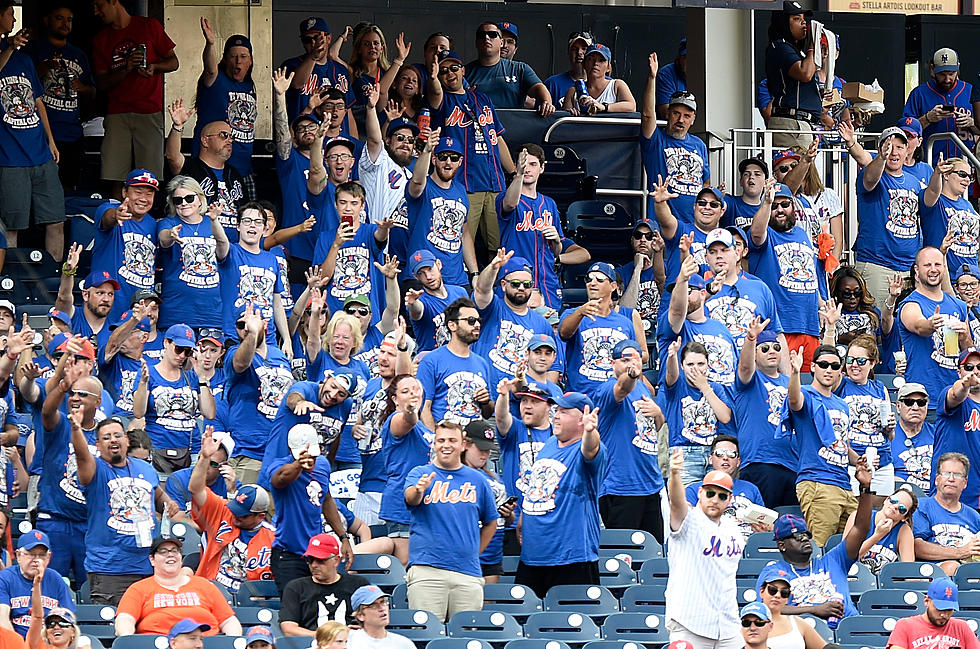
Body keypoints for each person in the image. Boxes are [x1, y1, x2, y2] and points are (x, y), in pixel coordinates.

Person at [71, 413, 177, 605]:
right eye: (106, 437)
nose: (113, 439)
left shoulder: (145, 468)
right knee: (116, 630)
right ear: (98, 445)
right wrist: (76, 429)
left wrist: (169, 504)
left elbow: (158, 495)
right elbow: (81, 455)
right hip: (110, 570)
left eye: (118, 435)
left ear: (127, 440)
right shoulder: (95, 468)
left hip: (147, 566)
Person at [404, 420, 497, 621]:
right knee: (426, 634)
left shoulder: (478, 479)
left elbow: (491, 521)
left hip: (467, 573)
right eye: (441, 440)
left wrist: (474, 550)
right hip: (427, 570)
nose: (446, 445)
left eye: (452, 440)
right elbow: (410, 498)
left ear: (463, 445)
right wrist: (419, 490)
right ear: (434, 444)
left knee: (464, 637)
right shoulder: (420, 473)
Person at [515, 392, 606, 599]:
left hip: (571, 558)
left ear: (582, 419)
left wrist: (590, 432)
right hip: (533, 556)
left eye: (564, 412)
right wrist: (523, 517)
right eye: (556, 410)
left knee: (571, 624)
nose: (556, 416)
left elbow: (591, 450)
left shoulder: (585, 449)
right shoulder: (549, 445)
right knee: (528, 625)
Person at [754, 472, 872, 628]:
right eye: (797, 535)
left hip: (848, 629)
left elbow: (860, 528)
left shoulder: (834, 560)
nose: (804, 538)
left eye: (806, 534)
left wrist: (866, 488)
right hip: (802, 635)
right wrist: (815, 610)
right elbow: (767, 609)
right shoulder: (774, 572)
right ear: (782, 545)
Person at [427, 50, 515, 255]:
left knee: (499, 247)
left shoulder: (482, 99)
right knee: (459, 245)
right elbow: (436, 93)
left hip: (495, 183)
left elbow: (497, 137)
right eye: (444, 71)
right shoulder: (443, 101)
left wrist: (513, 173)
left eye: (454, 68)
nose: (450, 74)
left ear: (463, 70)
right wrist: (432, 78)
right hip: (465, 185)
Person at [91, 0, 178, 189]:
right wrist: (127, 68)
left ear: (114, 1)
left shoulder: (148, 26)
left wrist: (154, 67)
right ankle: (116, 215)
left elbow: (173, 62)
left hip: (149, 110)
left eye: (99, 5)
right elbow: (101, 83)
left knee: (148, 177)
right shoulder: (101, 39)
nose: (96, 11)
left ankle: (145, 218)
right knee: (114, 176)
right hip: (117, 112)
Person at [0, 5, 65, 259]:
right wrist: (10, 47)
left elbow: (38, 102)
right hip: (10, 157)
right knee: (12, 226)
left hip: (40, 152)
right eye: (9, 13)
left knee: (56, 219)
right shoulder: (9, 53)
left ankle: (59, 278)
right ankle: (10, 284)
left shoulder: (25, 59)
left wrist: (51, 141)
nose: (14, 18)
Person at [497, 144, 590, 312]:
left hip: (547, 284)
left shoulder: (549, 204)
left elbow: (556, 250)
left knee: (549, 333)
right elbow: (510, 203)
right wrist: (517, 175)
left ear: (542, 168)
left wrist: (556, 241)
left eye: (533, 164)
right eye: (523, 164)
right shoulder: (506, 197)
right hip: (517, 282)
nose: (527, 169)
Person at [665, 450, 742, 649]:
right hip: (690, 622)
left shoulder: (733, 528)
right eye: (710, 493)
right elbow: (676, 503)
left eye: (722, 495)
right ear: (700, 493)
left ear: (729, 500)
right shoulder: (689, 520)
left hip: (728, 625)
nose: (715, 499)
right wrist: (674, 475)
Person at [591, 339, 665, 541]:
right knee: (624, 555)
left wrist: (658, 412)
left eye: (637, 359)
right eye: (625, 359)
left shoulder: (643, 390)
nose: (632, 364)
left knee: (653, 553)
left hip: (649, 484)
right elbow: (622, 389)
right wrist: (631, 374)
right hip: (620, 486)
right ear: (613, 363)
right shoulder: (606, 389)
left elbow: (656, 427)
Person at [268, 428, 354, 594]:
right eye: (304, 456)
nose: (309, 461)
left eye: (313, 456)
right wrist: (297, 465)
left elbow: (326, 499)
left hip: (317, 553)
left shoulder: (322, 465)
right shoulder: (278, 467)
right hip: (288, 554)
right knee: (293, 608)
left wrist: (343, 537)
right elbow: (279, 479)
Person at [188, 429, 274, 593]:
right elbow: (195, 488)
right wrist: (205, 458)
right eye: (236, 509)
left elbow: (268, 589)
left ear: (261, 516)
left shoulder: (272, 538)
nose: (236, 516)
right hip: (210, 590)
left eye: (243, 514)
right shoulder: (223, 511)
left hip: (246, 600)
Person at [784, 345, 853, 546]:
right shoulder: (806, 393)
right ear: (813, 367)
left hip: (845, 485)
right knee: (819, 547)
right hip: (818, 481)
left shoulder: (843, 405)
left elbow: (843, 446)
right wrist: (796, 372)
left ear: (841, 369)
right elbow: (794, 401)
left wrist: (861, 460)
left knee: (850, 550)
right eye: (823, 365)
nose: (829, 369)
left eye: (834, 365)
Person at [750, 182, 823, 371]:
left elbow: (811, 274)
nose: (780, 210)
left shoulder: (802, 234)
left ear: (793, 206)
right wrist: (766, 202)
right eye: (775, 206)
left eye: (785, 205)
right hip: (781, 329)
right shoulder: (767, 235)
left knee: (810, 389)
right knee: (785, 388)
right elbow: (756, 234)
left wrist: (821, 304)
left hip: (810, 327)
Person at [849, 127, 922, 309]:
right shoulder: (873, 174)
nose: (894, 152)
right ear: (881, 148)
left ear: (907, 150)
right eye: (889, 146)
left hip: (909, 269)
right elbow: (870, 179)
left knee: (904, 328)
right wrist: (881, 157)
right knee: (877, 327)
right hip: (878, 266)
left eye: (899, 147)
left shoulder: (914, 182)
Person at [26, 3, 94, 193]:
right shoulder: (32, 50)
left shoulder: (79, 54)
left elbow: (94, 91)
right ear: (47, 20)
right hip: (41, 132)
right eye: (59, 18)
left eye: (69, 20)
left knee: (68, 187)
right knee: (40, 187)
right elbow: (21, 82)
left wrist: (83, 87)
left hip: (72, 132)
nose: (65, 23)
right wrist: (44, 68)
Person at [223, 302, 294, 485]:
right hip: (250, 455)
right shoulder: (234, 353)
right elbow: (240, 364)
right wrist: (252, 334)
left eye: (252, 321)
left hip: (281, 456)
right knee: (246, 512)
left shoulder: (279, 356)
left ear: (265, 324)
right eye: (241, 325)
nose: (246, 328)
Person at [114, 536, 241, 636]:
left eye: (175, 551)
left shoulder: (204, 585)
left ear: (181, 557)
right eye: (163, 552)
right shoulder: (138, 589)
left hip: (204, 644)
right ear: (152, 559)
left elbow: (229, 621)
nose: (170, 554)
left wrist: (233, 641)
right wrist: (127, 639)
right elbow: (125, 619)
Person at [473, 250, 559, 387]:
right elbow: (481, 290)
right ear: (503, 285)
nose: (521, 288)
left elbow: (553, 367)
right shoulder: (492, 307)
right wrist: (493, 268)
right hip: (485, 395)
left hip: (523, 401)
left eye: (527, 285)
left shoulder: (543, 324)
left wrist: (540, 396)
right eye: (515, 283)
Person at [898, 247, 970, 406]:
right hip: (922, 400)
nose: (933, 269)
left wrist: (964, 337)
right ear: (916, 270)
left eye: (937, 264)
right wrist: (930, 324)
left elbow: (968, 352)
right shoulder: (910, 304)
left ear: (944, 268)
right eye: (927, 265)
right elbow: (918, 326)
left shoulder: (959, 305)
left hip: (956, 395)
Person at [640, 52, 709, 220]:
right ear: (668, 114)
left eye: (686, 116)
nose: (680, 120)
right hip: (662, 224)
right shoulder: (656, 141)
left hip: (694, 225)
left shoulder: (699, 144)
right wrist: (652, 78)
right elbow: (648, 115)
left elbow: (705, 181)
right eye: (676, 113)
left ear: (693, 120)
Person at [735, 321, 796, 509]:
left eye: (776, 347)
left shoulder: (791, 381)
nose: (772, 351)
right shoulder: (750, 379)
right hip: (761, 462)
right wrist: (751, 339)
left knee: (791, 529)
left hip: (792, 465)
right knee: (762, 526)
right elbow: (745, 368)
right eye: (765, 348)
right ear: (755, 354)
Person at [406, 130, 478, 287]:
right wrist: (426, 150)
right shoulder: (424, 186)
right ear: (434, 159)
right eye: (443, 157)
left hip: (457, 280)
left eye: (454, 158)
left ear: (460, 161)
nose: (448, 163)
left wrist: (475, 273)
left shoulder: (461, 190)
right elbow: (417, 182)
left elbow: (464, 233)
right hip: (423, 276)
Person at [165, 100, 246, 238]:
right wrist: (178, 126)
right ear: (205, 140)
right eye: (223, 135)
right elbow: (172, 156)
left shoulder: (235, 174)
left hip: (234, 246)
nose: (229, 140)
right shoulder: (191, 167)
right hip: (201, 242)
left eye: (231, 136)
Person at [662, 339, 735, 486]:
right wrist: (671, 356)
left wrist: (704, 387)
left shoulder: (716, 388)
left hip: (713, 454)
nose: (695, 369)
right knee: (686, 504)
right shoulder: (677, 385)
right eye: (690, 364)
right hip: (684, 454)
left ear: (708, 364)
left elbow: (725, 417)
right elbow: (671, 375)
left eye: (700, 364)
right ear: (682, 366)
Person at [193, 20, 257, 188]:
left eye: (243, 57)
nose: (238, 62)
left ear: (250, 61)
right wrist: (210, 44)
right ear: (225, 59)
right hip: (211, 167)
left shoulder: (250, 86)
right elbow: (210, 69)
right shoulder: (216, 80)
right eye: (233, 56)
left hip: (243, 168)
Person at [664, 245, 738, 387]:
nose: (681, 294)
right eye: (676, 291)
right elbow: (678, 311)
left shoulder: (720, 328)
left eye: (688, 289)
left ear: (703, 293)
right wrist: (683, 279)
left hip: (725, 402)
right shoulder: (671, 324)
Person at [559, 262, 637, 394]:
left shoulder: (625, 323)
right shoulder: (572, 314)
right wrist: (580, 313)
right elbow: (564, 334)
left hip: (613, 396)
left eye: (599, 280)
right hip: (580, 395)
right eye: (588, 279)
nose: (592, 283)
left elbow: (632, 359)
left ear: (613, 286)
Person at [416, 297, 492, 428]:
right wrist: (434, 440)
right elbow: (424, 408)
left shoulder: (482, 363)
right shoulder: (431, 361)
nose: (477, 325)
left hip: (474, 442)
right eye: (471, 321)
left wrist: (486, 402)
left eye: (479, 321)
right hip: (445, 441)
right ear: (452, 325)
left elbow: (487, 413)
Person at [835, 334, 894, 497]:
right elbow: (828, 363)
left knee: (881, 515)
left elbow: (890, 436)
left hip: (881, 461)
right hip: (852, 462)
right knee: (854, 513)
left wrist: (890, 428)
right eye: (850, 360)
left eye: (861, 361)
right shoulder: (841, 384)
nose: (854, 365)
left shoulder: (880, 388)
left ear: (872, 363)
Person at [279, 534, 369, 634]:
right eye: (310, 560)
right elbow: (288, 629)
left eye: (320, 560)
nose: (314, 565)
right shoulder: (296, 588)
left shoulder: (358, 584)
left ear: (336, 560)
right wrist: (324, 638)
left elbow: (374, 619)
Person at [684, 435, 767, 540]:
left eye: (731, 454)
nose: (725, 458)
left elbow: (763, 524)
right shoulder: (693, 490)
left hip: (746, 543)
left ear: (738, 462)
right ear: (710, 459)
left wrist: (763, 530)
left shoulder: (752, 489)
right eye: (719, 453)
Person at [914, 451, 980, 576]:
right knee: (951, 566)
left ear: (965, 483)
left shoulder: (974, 517)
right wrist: (960, 552)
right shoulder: (921, 507)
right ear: (937, 480)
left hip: (968, 573)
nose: (951, 479)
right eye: (946, 474)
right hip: (929, 573)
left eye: (957, 475)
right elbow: (917, 547)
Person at [904, 47, 976, 161]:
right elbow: (904, 133)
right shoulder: (919, 94)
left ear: (958, 68)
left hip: (965, 165)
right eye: (942, 74)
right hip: (930, 164)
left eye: (951, 73)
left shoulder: (971, 91)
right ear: (932, 69)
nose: (947, 79)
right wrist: (927, 118)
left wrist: (973, 123)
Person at [464, 21, 553, 113]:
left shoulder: (520, 69)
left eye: (492, 35)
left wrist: (547, 102)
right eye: (481, 35)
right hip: (477, 125)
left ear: (501, 42)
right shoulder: (463, 72)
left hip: (512, 126)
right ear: (476, 42)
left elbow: (539, 87)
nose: (487, 38)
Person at [765, 1, 819, 149]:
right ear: (783, 22)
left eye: (803, 18)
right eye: (796, 19)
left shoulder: (796, 50)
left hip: (799, 123)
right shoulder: (780, 46)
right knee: (795, 171)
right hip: (791, 123)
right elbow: (805, 74)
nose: (803, 23)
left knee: (806, 171)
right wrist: (812, 47)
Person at [280, 18, 354, 124]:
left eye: (317, 38)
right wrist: (314, 55)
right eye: (308, 40)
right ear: (302, 43)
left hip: (337, 137)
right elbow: (297, 84)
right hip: (305, 135)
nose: (314, 43)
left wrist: (354, 140)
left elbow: (349, 112)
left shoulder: (341, 70)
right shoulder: (291, 65)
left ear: (328, 38)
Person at [0, 532, 74, 638]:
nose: (36, 560)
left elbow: (68, 620)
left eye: (42, 555)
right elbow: (2, 620)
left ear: (49, 557)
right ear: (18, 555)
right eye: (31, 554)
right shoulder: (5, 578)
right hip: (15, 640)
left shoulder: (55, 579)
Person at [922, 156, 979, 273]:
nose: (967, 180)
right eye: (962, 174)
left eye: (970, 177)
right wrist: (937, 173)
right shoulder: (936, 201)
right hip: (944, 275)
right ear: (946, 175)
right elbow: (932, 191)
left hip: (971, 276)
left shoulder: (968, 205)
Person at [842, 486, 916, 576]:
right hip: (853, 579)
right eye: (893, 500)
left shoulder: (904, 530)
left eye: (902, 509)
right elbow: (845, 558)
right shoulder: (859, 516)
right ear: (886, 500)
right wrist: (877, 536)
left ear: (905, 517)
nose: (895, 506)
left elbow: (909, 571)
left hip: (884, 585)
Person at [886, 578, 980, 649]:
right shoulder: (905, 625)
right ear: (927, 601)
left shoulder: (962, 627)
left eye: (949, 610)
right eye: (939, 608)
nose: (944, 615)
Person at [404, 250, 468, 353]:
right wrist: (413, 304)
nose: (428, 277)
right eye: (421, 273)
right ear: (416, 277)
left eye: (430, 269)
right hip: (433, 363)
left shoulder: (460, 292)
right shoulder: (421, 300)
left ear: (439, 264)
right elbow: (417, 312)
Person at [55, 264, 119, 355]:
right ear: (85, 295)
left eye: (110, 294)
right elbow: (63, 299)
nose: (106, 299)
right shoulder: (73, 315)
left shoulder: (115, 329)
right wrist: (68, 272)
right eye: (100, 293)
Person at [561, 43, 635, 115]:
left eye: (601, 60)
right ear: (584, 64)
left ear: (608, 67)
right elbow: (564, 123)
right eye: (590, 59)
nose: (595, 63)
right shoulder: (573, 91)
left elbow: (631, 106)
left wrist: (604, 107)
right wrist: (570, 112)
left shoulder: (616, 85)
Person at [754, 575, 826, 649]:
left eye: (784, 592)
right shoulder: (747, 623)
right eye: (772, 590)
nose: (777, 595)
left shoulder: (798, 623)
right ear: (761, 591)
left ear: (787, 599)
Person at [892, 382, 934, 491]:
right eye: (909, 402)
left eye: (921, 403)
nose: (915, 408)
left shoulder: (937, 433)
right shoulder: (887, 435)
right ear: (898, 407)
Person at [25, 565, 78, 649]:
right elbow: (37, 617)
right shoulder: (38, 646)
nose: (56, 627)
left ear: (73, 631)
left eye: (63, 624)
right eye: (51, 624)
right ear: (46, 633)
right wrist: (37, 585)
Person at [346, 585, 415, 649]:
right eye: (373, 605)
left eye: (383, 602)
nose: (382, 608)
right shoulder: (348, 641)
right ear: (360, 616)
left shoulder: (404, 644)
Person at [543, 31, 593, 103]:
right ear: (568, 52)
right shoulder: (552, 84)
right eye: (574, 49)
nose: (579, 52)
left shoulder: (604, 84)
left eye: (584, 49)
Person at [724, 158, 769, 231]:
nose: (751, 177)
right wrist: (718, 196)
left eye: (757, 174)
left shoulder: (768, 210)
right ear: (741, 181)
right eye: (746, 174)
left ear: (765, 183)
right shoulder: (730, 202)